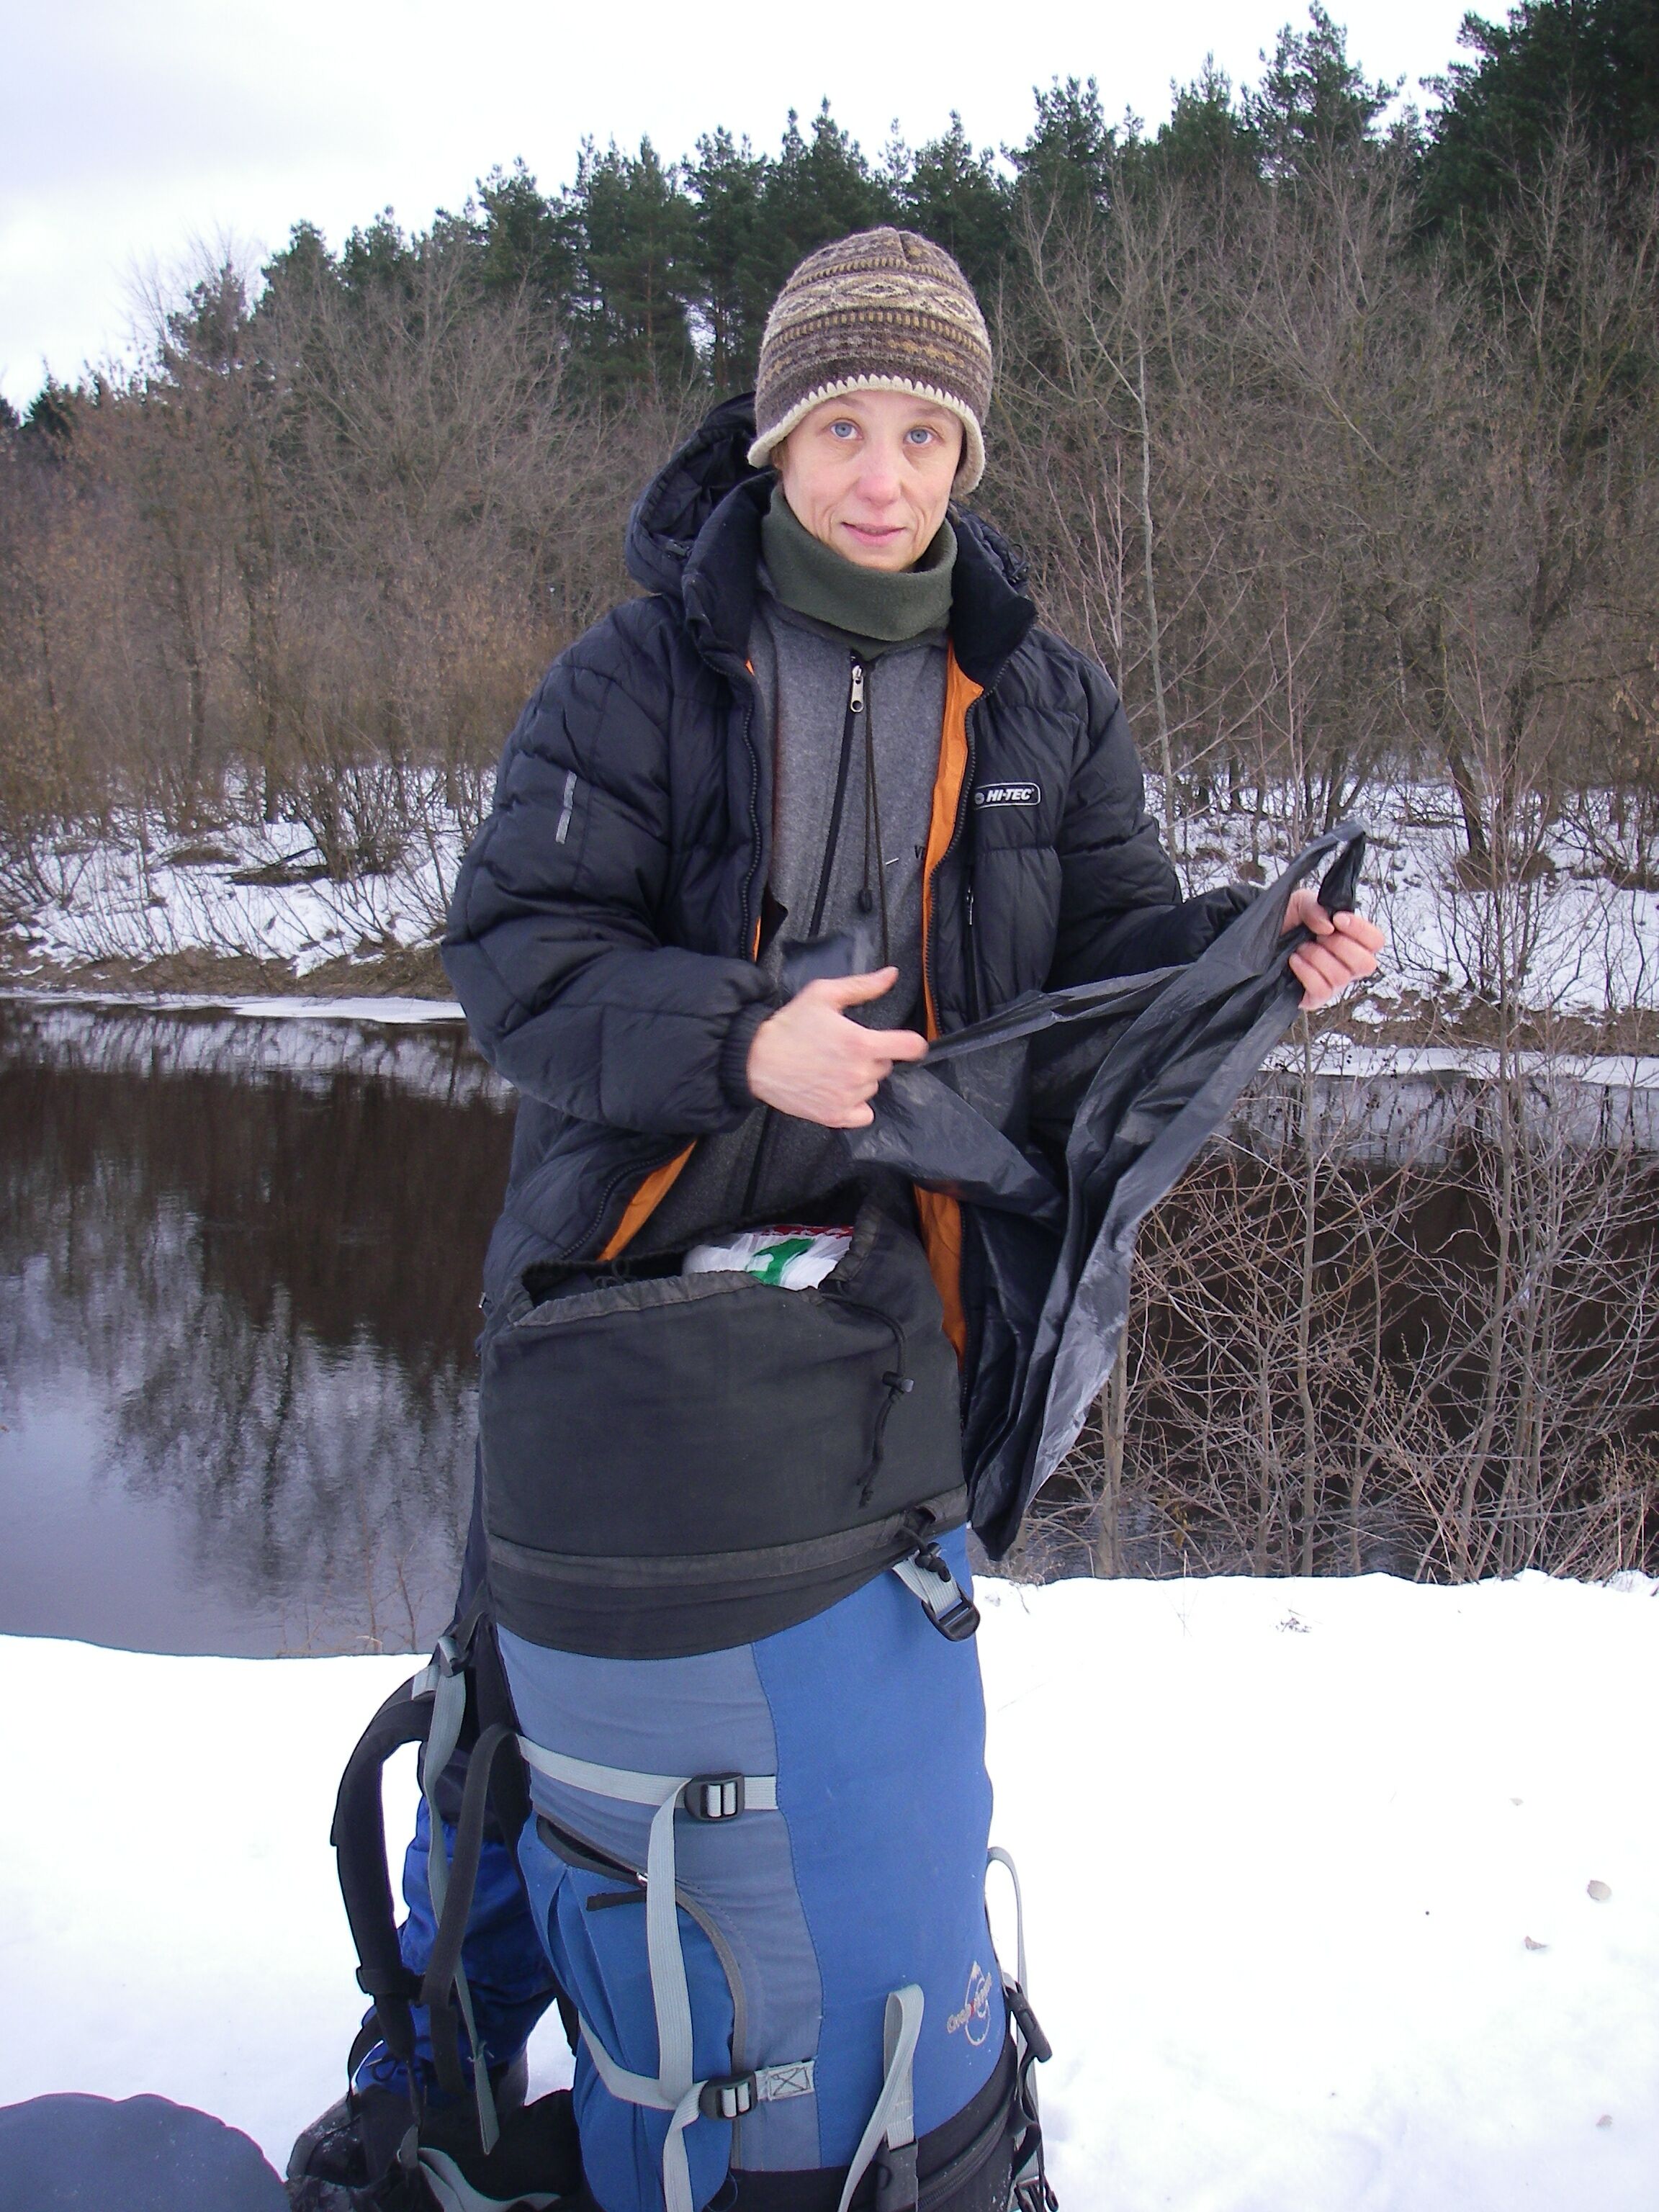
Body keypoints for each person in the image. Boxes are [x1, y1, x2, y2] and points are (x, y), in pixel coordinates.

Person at [290, 228, 1381, 2212]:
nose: (886, 476)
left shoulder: (1043, 697)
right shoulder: (637, 676)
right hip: (626, 1268)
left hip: (900, 1291)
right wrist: (743, 1043)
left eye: (926, 432)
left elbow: (1105, 952)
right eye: (845, 429)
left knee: (848, 1672)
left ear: (968, 453)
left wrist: (1251, 953)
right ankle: (432, 2048)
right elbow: (517, 955)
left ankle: (828, 2050)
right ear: (776, 441)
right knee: (529, 1685)